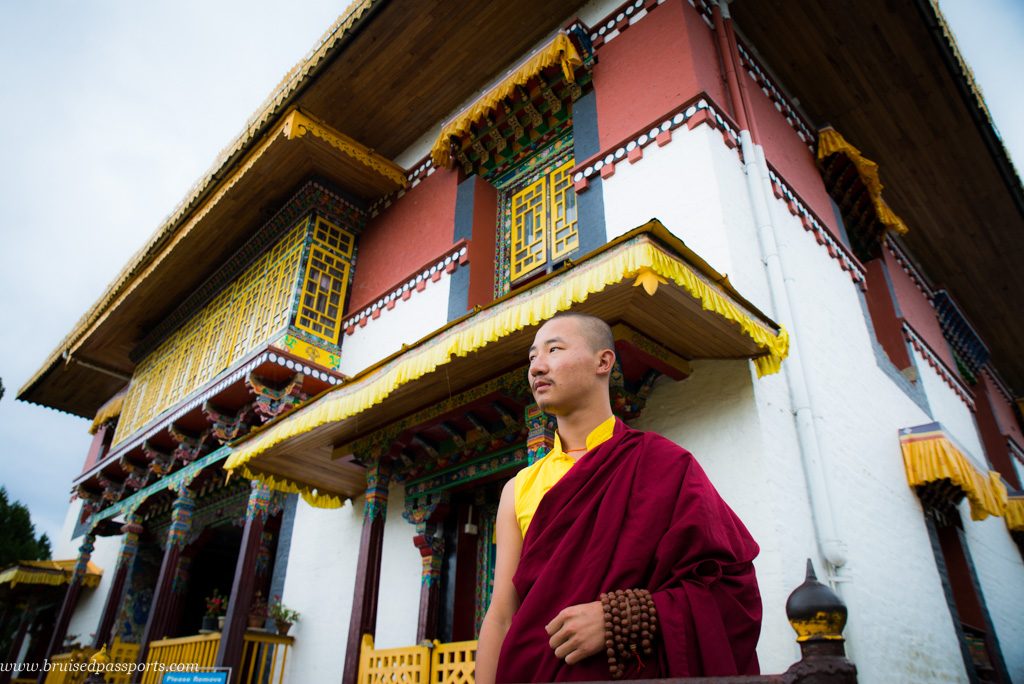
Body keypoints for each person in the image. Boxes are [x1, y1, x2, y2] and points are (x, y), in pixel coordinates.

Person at [475, 311, 761, 682]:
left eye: (554, 349)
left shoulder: (664, 465)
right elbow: (501, 614)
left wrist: (623, 616)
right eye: (531, 358)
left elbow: (730, 587)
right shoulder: (520, 487)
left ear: (603, 361)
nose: (537, 367)